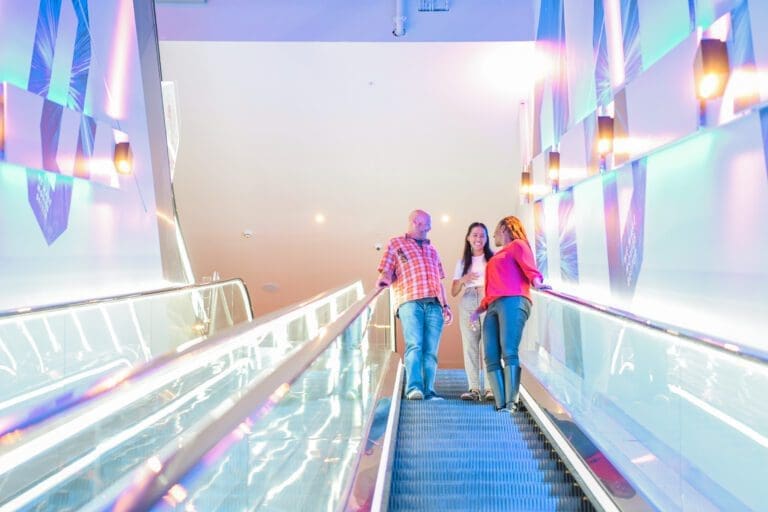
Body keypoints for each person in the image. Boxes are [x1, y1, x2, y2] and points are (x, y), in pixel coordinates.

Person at [470, 215, 547, 413]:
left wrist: (538, 282)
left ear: (505, 228)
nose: (493, 235)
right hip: (493, 305)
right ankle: (500, 403)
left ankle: (511, 403)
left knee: (509, 350)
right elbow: (492, 288)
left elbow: (530, 268)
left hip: (513, 300)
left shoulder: (518, 245)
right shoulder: (497, 256)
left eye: (495, 230)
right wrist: (479, 309)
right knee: (491, 354)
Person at [377, 209, 453, 400]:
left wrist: (446, 306)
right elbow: (386, 270)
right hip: (409, 301)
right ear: (410, 222)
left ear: (430, 227)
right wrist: (383, 280)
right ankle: (413, 388)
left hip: (435, 304)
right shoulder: (396, 244)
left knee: (431, 350)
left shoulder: (433, 250)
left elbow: (440, 281)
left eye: (425, 224)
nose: (421, 227)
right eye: (417, 222)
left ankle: (429, 390)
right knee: (414, 345)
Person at [451, 222, 495, 402]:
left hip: (489, 299)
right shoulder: (462, 262)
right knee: (470, 345)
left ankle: (491, 389)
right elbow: (453, 291)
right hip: (468, 300)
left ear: (486, 239)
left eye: (482, 235)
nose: (478, 239)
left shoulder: (493, 259)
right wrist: (463, 279)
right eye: (475, 235)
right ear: (468, 238)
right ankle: (474, 388)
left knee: (490, 345)